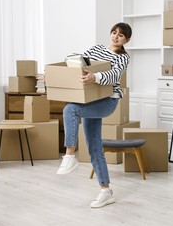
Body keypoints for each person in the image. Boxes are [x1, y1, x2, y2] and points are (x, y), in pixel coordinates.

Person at [56, 22, 132, 208]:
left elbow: (115, 75)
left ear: (126, 40)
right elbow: (81, 63)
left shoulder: (123, 57)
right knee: (94, 146)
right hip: (89, 99)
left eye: (120, 35)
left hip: (107, 101)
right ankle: (106, 191)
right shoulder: (97, 48)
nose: (115, 37)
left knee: (70, 109)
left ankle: (69, 156)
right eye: (113, 32)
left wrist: (94, 77)